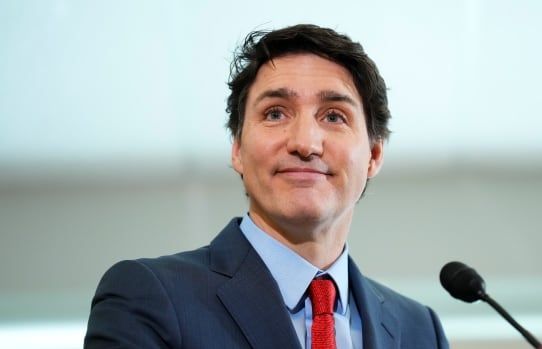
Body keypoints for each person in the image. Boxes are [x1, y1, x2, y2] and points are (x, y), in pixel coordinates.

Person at [84, 24, 449, 349]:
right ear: (238, 149)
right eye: (275, 113)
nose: (305, 143)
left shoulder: (421, 330)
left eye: (334, 116)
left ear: (373, 155)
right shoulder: (147, 296)